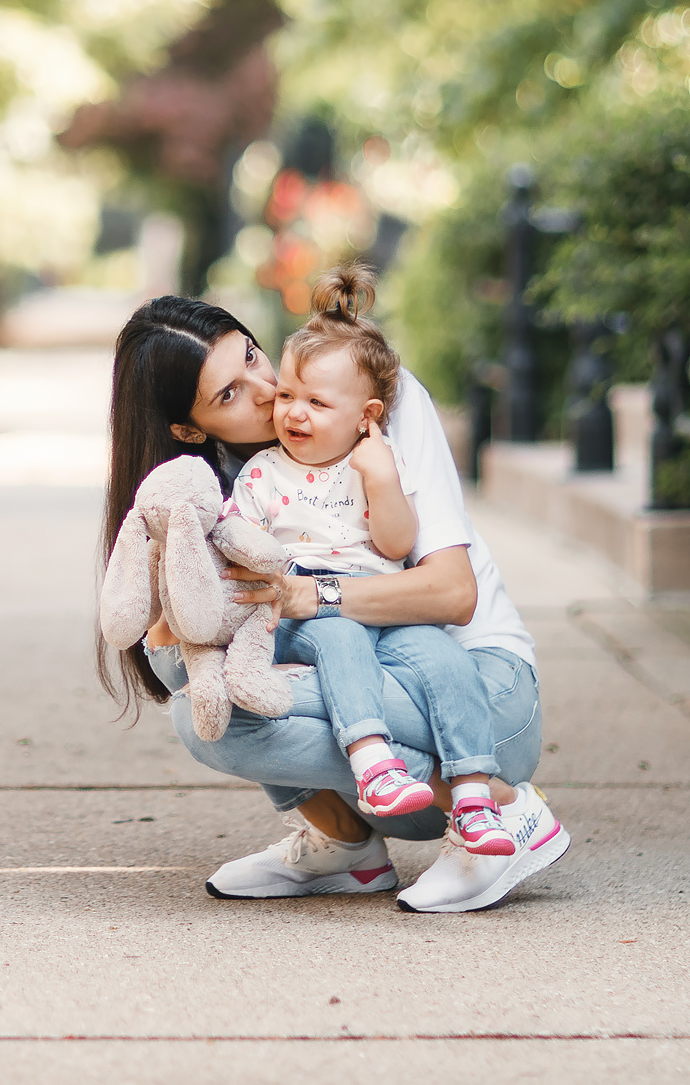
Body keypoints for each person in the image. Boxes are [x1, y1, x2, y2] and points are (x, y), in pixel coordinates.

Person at [99, 292, 569, 914]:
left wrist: (310, 595)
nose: (268, 391)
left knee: (237, 696)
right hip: (377, 737)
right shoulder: (213, 487)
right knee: (204, 703)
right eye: (230, 395)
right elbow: (174, 660)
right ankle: (346, 846)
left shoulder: (367, 398)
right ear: (189, 429)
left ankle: (502, 816)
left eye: (251, 358)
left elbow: (453, 593)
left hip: (478, 698)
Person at [233, 267, 516, 853]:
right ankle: (372, 760)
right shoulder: (262, 473)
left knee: (448, 664)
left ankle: (473, 795)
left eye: (316, 401)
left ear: (366, 416)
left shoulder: (372, 464)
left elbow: (394, 546)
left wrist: (383, 480)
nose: (293, 413)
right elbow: (242, 543)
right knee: (340, 643)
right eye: (287, 395)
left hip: (389, 610)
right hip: (308, 614)